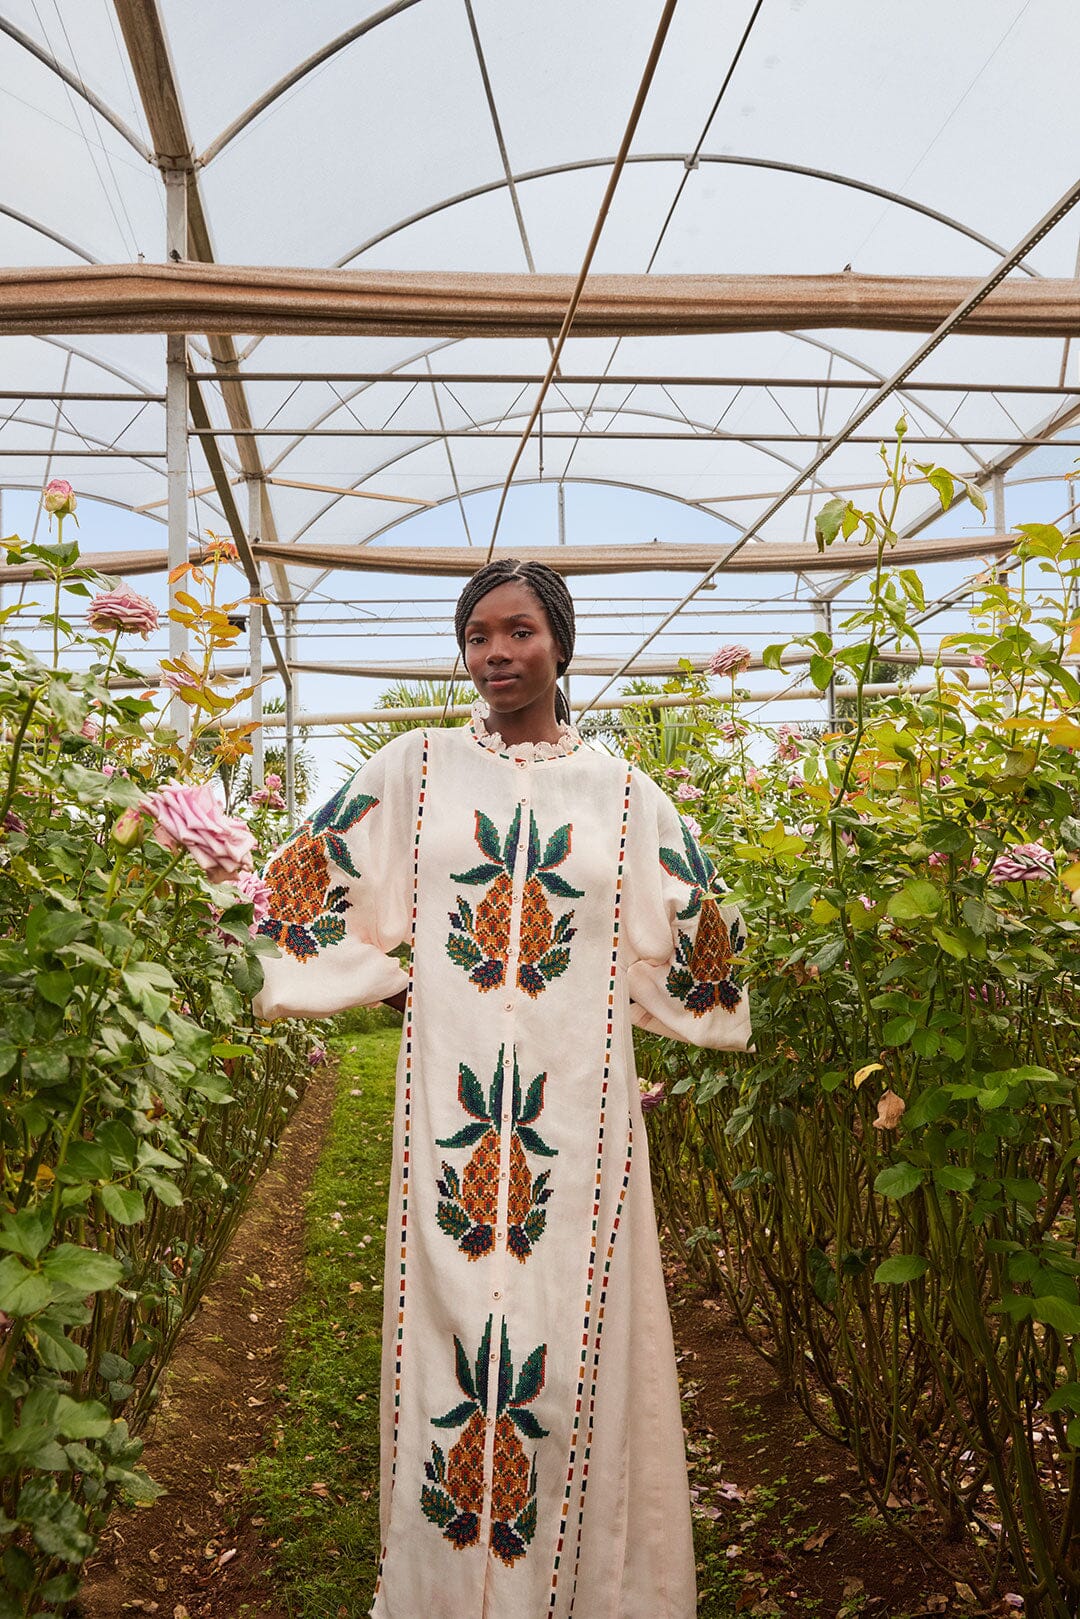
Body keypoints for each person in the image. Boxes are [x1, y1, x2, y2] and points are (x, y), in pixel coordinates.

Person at [254, 559, 750, 1619]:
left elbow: (703, 928)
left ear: (560, 643)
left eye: (518, 631)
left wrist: (647, 996)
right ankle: (450, 1586)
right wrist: (398, 976)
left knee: (577, 1339)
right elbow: (306, 879)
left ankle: (585, 1586)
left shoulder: (625, 794)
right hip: (455, 1113)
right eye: (478, 635)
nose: (496, 655)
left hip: (584, 1106)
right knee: (456, 1336)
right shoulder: (412, 766)